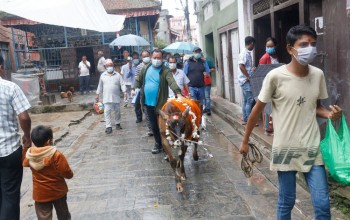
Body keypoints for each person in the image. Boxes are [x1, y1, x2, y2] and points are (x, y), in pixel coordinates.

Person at [239, 25, 342, 220]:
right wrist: (245, 140)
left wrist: (329, 114)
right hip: (285, 148)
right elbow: (256, 111)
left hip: (312, 147)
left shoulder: (317, 74)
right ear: (289, 49)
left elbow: (316, 107)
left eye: (312, 44)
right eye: (303, 44)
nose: (309, 49)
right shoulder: (275, 77)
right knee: (287, 201)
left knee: (322, 204)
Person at [134, 49, 184, 154]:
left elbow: (172, 81)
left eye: (159, 58)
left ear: (162, 59)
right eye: (155, 58)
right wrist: (135, 88)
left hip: (161, 105)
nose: (157, 60)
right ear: (151, 58)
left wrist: (178, 93)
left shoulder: (165, 70)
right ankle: (158, 144)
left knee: (164, 126)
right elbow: (139, 79)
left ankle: (167, 145)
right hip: (148, 103)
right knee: (154, 126)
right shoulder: (146, 68)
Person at [0, 55, 31, 220]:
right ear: (0, 67)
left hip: (8, 151)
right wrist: (27, 136)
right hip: (9, 151)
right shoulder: (10, 87)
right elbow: (24, 117)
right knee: (10, 196)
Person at [23, 125, 73, 220]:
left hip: (40, 194)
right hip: (58, 191)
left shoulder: (30, 155)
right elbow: (67, 173)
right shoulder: (56, 154)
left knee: (43, 217)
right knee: (63, 215)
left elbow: (24, 163)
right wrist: (70, 174)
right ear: (49, 141)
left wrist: (25, 147)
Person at [96, 59, 126, 134]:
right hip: (106, 97)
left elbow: (122, 84)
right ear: (105, 66)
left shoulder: (118, 75)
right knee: (107, 112)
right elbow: (100, 86)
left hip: (116, 96)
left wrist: (125, 92)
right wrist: (97, 94)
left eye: (111, 65)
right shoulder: (103, 75)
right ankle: (108, 127)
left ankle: (117, 123)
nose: (109, 67)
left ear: (113, 65)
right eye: (108, 65)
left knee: (117, 111)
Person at [259, 37, 279, 135]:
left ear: (275, 46)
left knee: (273, 107)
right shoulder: (265, 57)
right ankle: (268, 128)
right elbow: (261, 73)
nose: (269, 48)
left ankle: (272, 126)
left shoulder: (275, 57)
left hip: (276, 85)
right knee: (267, 107)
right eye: (267, 46)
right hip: (267, 85)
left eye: (271, 46)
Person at [238, 36, 256, 125]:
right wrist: (248, 76)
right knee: (250, 100)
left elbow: (245, 66)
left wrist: (251, 70)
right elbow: (241, 66)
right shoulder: (244, 53)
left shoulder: (247, 53)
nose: (254, 47)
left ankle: (245, 119)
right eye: (254, 44)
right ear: (251, 43)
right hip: (245, 80)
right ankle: (249, 120)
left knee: (245, 100)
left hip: (244, 80)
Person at [134, 50, 150, 123]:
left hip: (151, 88)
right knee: (138, 103)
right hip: (142, 88)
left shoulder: (152, 65)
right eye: (144, 56)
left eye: (147, 56)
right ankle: (139, 117)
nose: (146, 58)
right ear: (141, 57)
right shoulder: (139, 67)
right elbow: (136, 77)